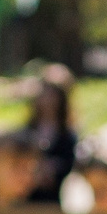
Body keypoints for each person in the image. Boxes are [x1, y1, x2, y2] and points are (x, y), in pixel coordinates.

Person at [22, 63, 77, 206]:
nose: (48, 99)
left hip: (51, 204)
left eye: (54, 94)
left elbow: (68, 166)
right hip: (24, 203)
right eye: (45, 92)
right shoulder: (27, 130)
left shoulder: (68, 136)